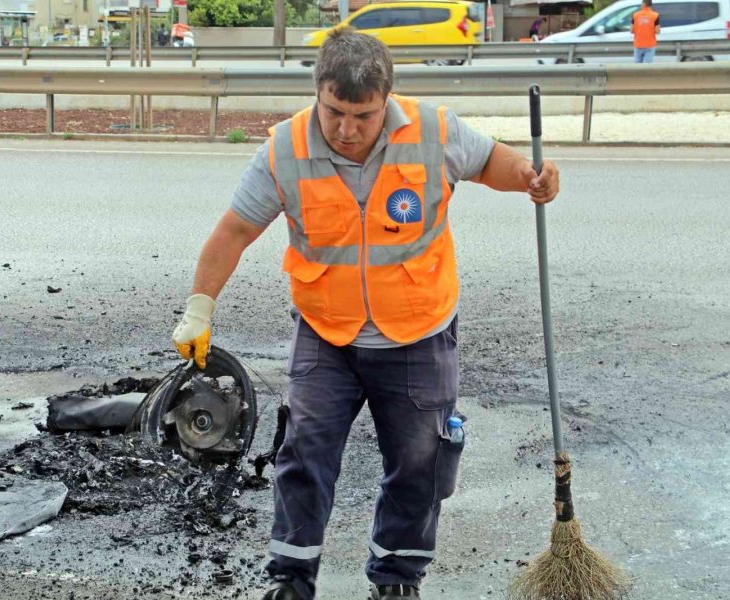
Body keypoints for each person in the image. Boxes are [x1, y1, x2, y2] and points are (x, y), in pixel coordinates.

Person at [171, 28, 560, 600]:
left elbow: (490, 162)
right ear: (318, 95)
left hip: (417, 334)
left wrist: (531, 177)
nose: (347, 130)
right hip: (327, 334)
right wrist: (199, 308)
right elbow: (234, 231)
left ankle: (396, 578)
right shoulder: (285, 150)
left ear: (388, 102)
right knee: (304, 453)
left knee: (419, 463)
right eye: (334, 112)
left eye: (363, 115)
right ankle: (292, 578)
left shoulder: (432, 132)